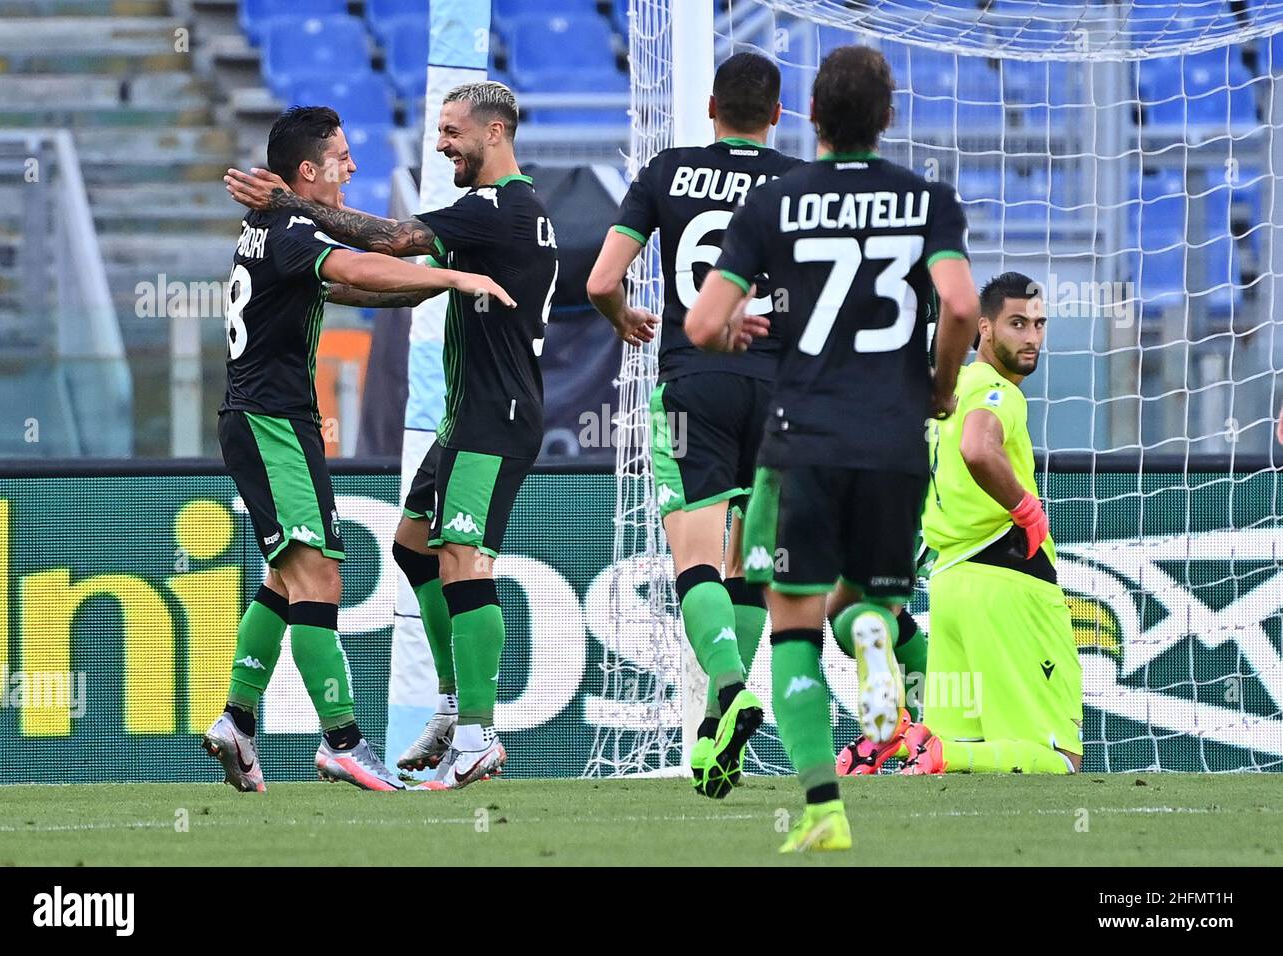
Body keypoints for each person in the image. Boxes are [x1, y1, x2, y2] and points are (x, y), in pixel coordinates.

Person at [684, 46, 979, 851]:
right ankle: (877, 637)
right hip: (893, 437)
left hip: (802, 438)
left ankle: (822, 809)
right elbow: (959, 304)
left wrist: (736, 329)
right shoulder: (928, 200)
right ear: (887, 117)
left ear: (811, 117)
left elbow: (703, 325)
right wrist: (941, 383)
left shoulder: (776, 202)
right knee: (868, 603)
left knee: (792, 625)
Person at [226, 82, 558, 790]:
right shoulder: (292, 232)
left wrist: (443, 273)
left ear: (495, 133)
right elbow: (366, 269)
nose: (440, 144)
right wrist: (450, 275)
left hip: (493, 416)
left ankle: (474, 732)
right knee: (396, 554)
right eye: (342, 158)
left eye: (450, 131)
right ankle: (423, 712)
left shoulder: (500, 208)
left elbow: (391, 250)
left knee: (450, 558)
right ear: (309, 170)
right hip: (301, 419)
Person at [586, 52, 803, 798]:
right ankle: (719, 732)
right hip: (779, 392)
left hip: (695, 380)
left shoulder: (665, 172)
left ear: (711, 106)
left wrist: (624, 319)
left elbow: (601, 281)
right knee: (748, 565)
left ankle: (729, 688)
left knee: (696, 561)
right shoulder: (801, 182)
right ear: (778, 114)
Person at [900, 272, 1084, 775]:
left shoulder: (946, 392)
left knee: (964, 763)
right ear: (984, 329)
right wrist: (1027, 508)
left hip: (950, 585)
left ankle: (919, 748)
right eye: (1017, 324)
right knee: (1058, 757)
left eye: (1039, 325)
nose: (1031, 337)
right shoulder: (994, 388)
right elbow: (979, 448)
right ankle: (936, 751)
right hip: (1008, 584)